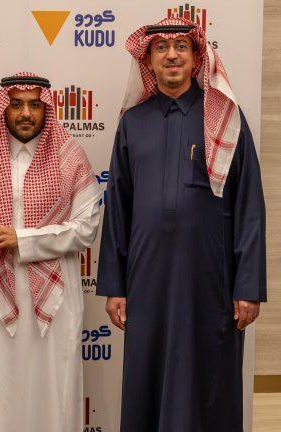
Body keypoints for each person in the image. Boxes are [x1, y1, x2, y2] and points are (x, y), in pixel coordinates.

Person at [97, 17, 266, 431]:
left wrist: (247, 286)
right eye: (161, 48)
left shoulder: (225, 118)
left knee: (209, 378)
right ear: (148, 60)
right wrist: (115, 286)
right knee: (147, 377)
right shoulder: (133, 123)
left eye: (181, 47)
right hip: (147, 279)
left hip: (210, 280)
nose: (171, 55)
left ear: (196, 57)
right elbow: (118, 208)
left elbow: (249, 205)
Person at [0, 72, 101, 431]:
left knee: (52, 389)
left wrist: (23, 239)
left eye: (34, 105)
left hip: (55, 297)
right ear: (5, 108)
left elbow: (86, 229)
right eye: (16, 104)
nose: (25, 113)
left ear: (47, 108)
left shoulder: (70, 158)